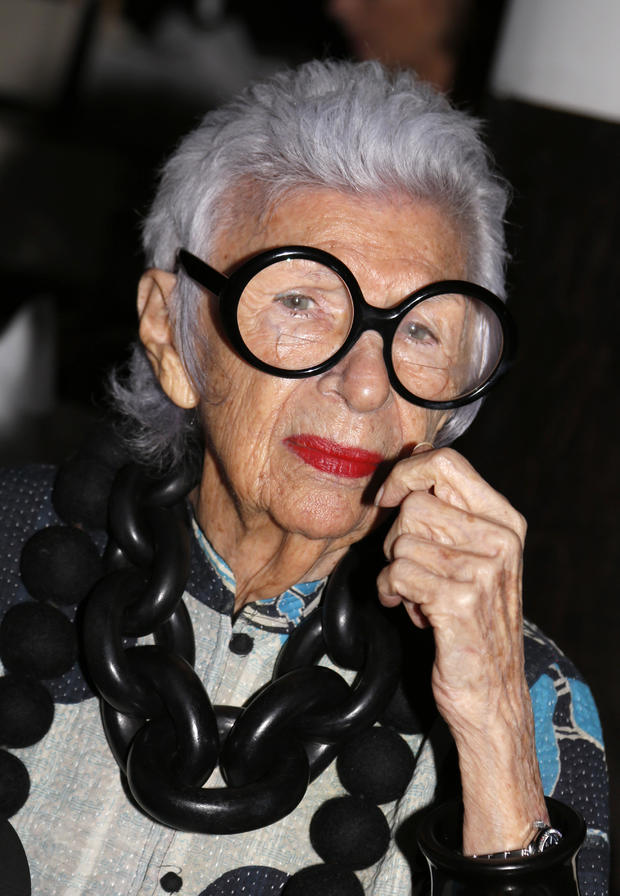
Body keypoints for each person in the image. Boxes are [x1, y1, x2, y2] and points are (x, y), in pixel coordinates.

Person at [0, 60, 608, 895]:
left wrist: (493, 727)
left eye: (423, 331)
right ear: (172, 336)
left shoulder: (532, 696)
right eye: (300, 303)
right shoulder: (9, 546)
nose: (365, 382)